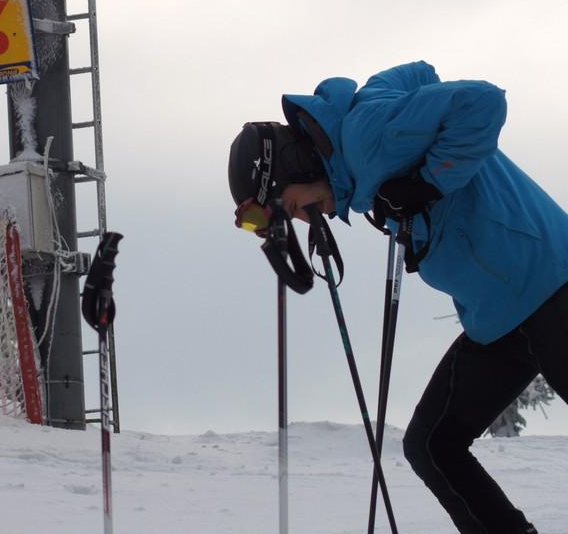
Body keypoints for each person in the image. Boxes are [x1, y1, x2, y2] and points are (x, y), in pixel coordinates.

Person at [229, 60, 568, 534]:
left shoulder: (367, 135)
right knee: (432, 445)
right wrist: (415, 181)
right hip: (499, 315)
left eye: (290, 208)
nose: (307, 219)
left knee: (435, 446)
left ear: (294, 166)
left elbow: (483, 101)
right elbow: (420, 77)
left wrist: (426, 183)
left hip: (549, 281)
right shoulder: (363, 148)